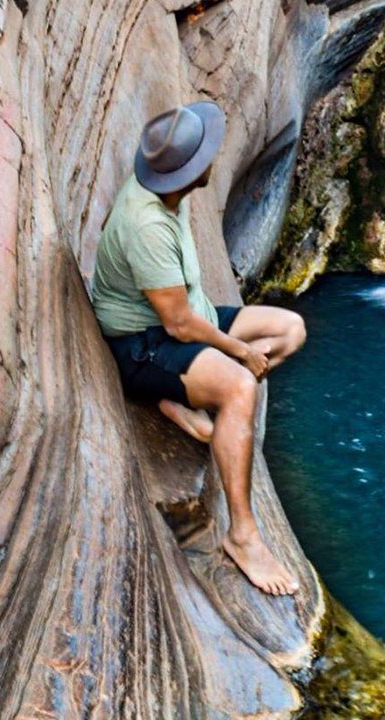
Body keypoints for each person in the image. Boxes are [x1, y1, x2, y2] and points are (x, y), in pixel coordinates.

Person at [92, 100, 306, 596]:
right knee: (239, 387)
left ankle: (197, 409)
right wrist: (238, 353)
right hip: (145, 345)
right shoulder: (146, 227)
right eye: (206, 154)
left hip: (193, 316)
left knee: (291, 329)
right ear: (188, 172)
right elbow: (179, 325)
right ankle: (243, 536)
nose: (214, 158)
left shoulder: (170, 190)